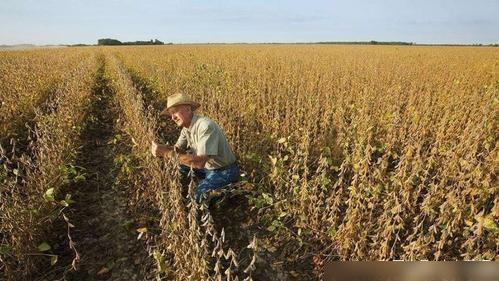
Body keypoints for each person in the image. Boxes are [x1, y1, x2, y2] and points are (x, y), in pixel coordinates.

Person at [150, 93, 239, 202]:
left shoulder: (205, 126)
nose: (172, 117)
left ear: (188, 109)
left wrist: (166, 153)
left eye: (175, 112)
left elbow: (199, 163)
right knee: (176, 166)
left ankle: (227, 192)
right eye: (171, 114)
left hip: (225, 171)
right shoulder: (186, 129)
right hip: (207, 168)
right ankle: (201, 187)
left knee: (197, 197)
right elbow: (176, 150)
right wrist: (163, 148)